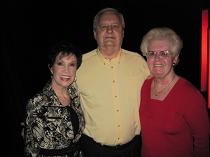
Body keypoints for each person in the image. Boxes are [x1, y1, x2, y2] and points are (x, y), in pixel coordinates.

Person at [76, 7, 150, 157]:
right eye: (103, 26)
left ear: (122, 33)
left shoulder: (139, 62)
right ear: (95, 34)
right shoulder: (79, 65)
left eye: (115, 26)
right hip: (95, 150)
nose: (109, 31)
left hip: (133, 149)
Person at [139, 27, 210, 157]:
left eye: (164, 53)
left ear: (175, 58)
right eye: (152, 53)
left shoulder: (190, 96)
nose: (157, 59)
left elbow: (203, 143)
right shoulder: (144, 86)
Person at [24, 41, 85, 157]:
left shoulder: (75, 96)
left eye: (72, 65)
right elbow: (31, 149)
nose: (66, 71)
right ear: (51, 68)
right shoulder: (37, 102)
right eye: (60, 64)